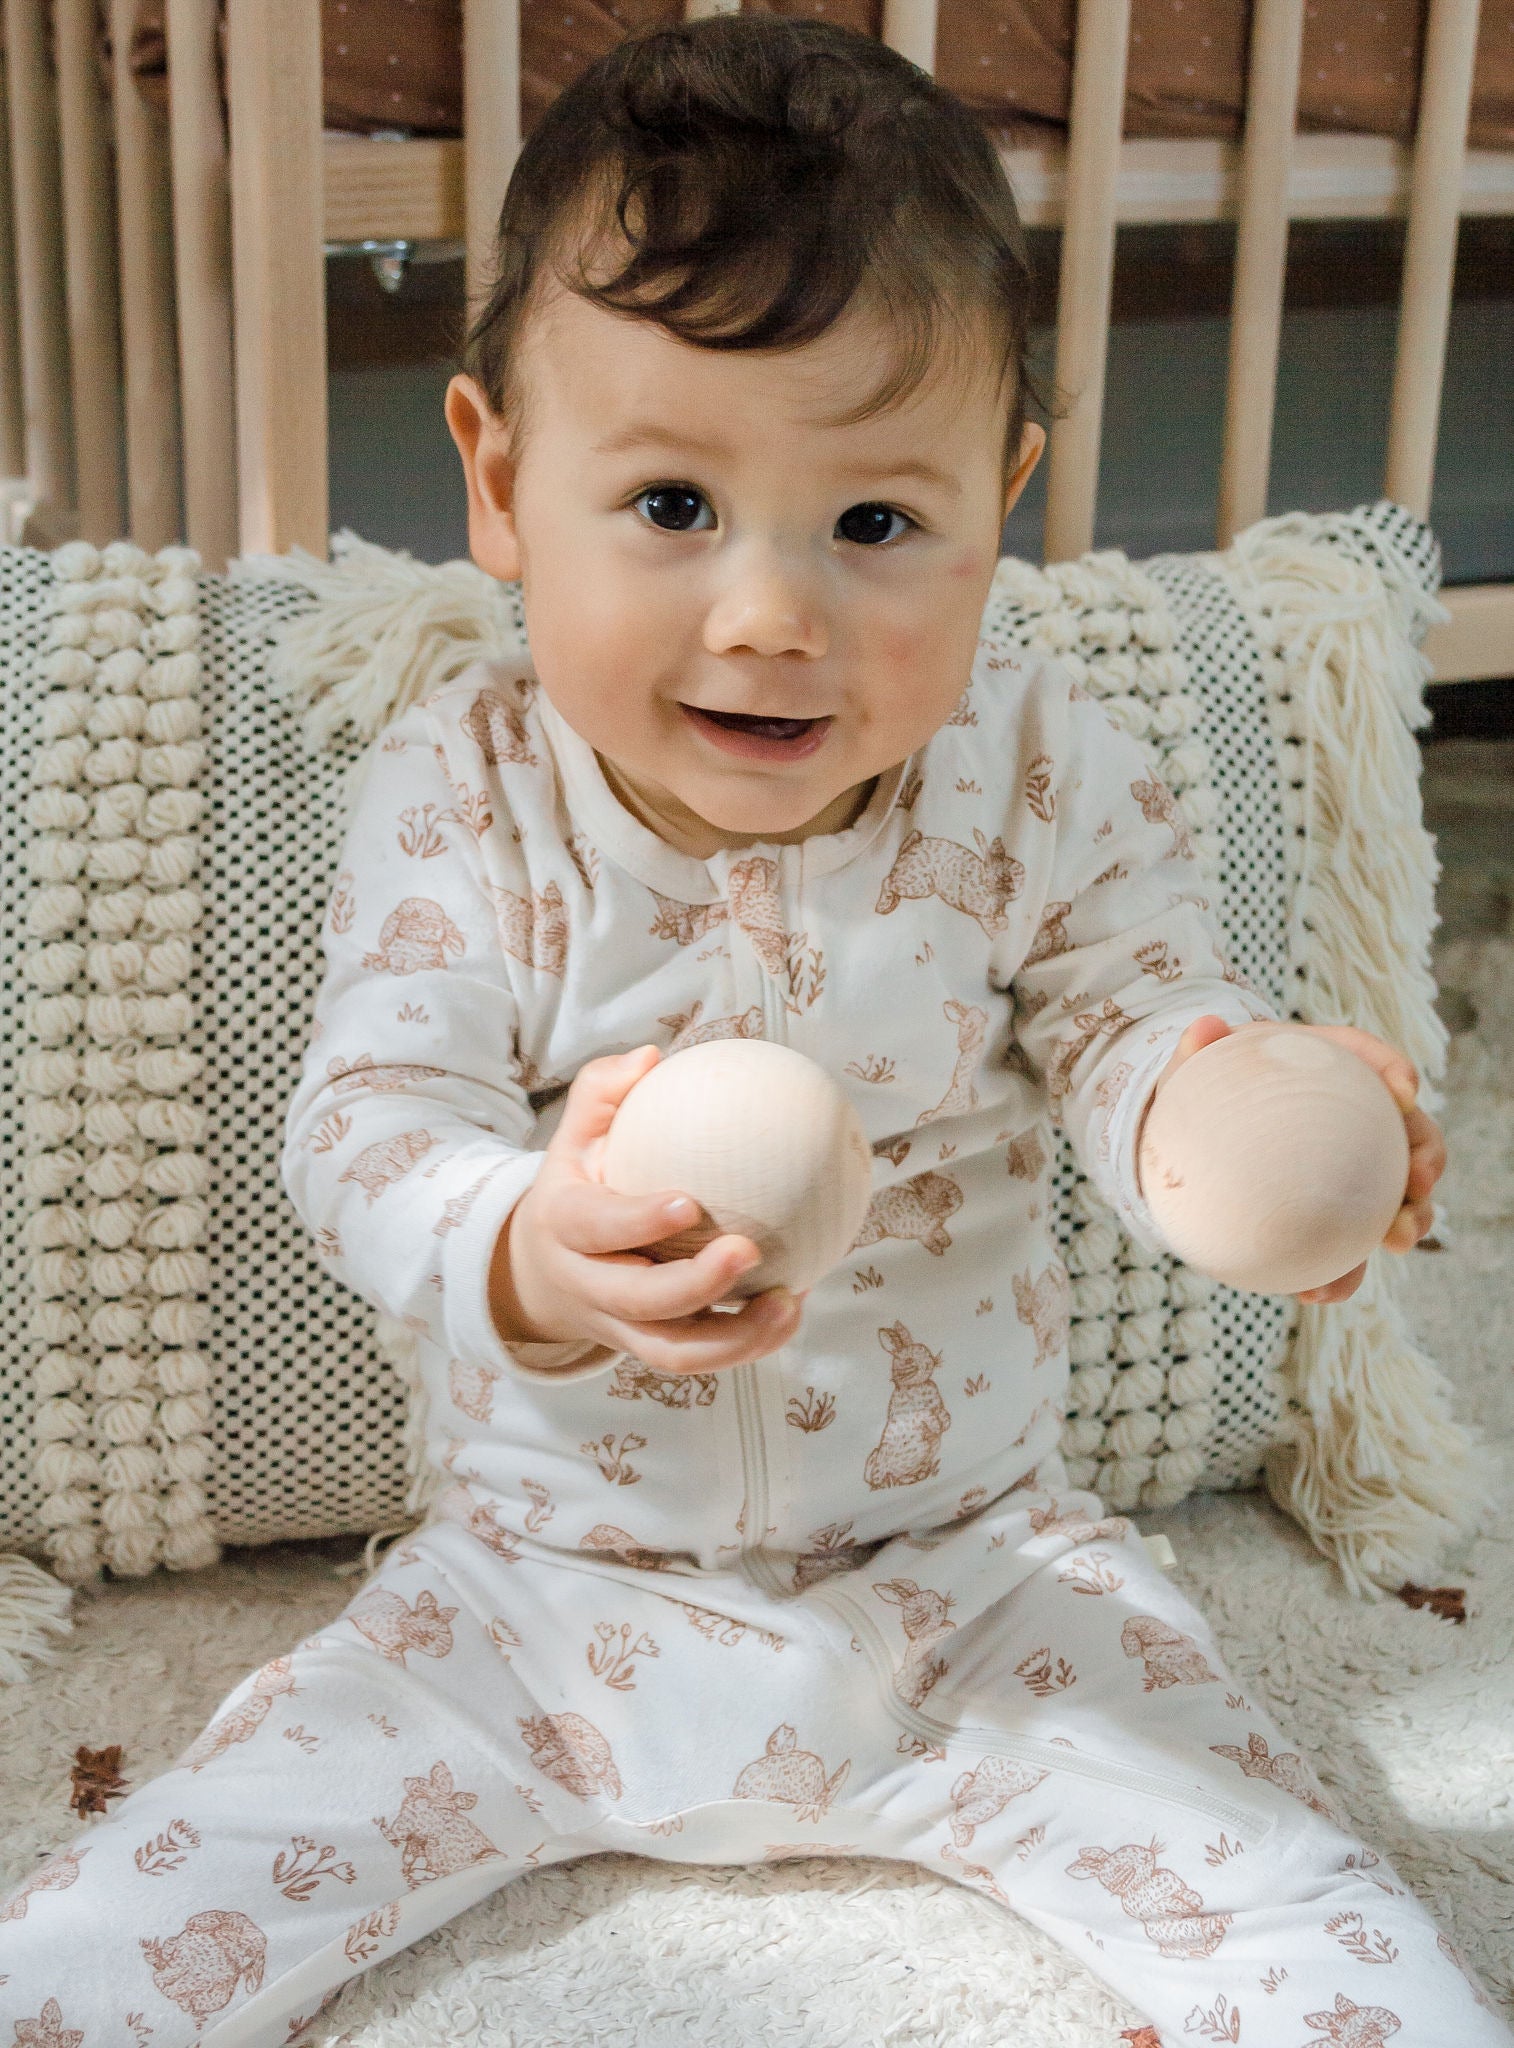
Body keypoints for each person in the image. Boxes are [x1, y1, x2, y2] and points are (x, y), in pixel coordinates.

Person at [3, 16, 1503, 2044]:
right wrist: (524, 1242)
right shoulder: (469, 787)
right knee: (120, 1929)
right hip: (537, 1595)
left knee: (1323, 1929)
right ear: (505, 484)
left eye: (874, 525)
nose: (772, 612)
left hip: (971, 1574)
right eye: (673, 506)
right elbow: (367, 1118)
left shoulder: (1043, 769)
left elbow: (1144, 1023)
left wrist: (1264, 1130)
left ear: (1003, 498)